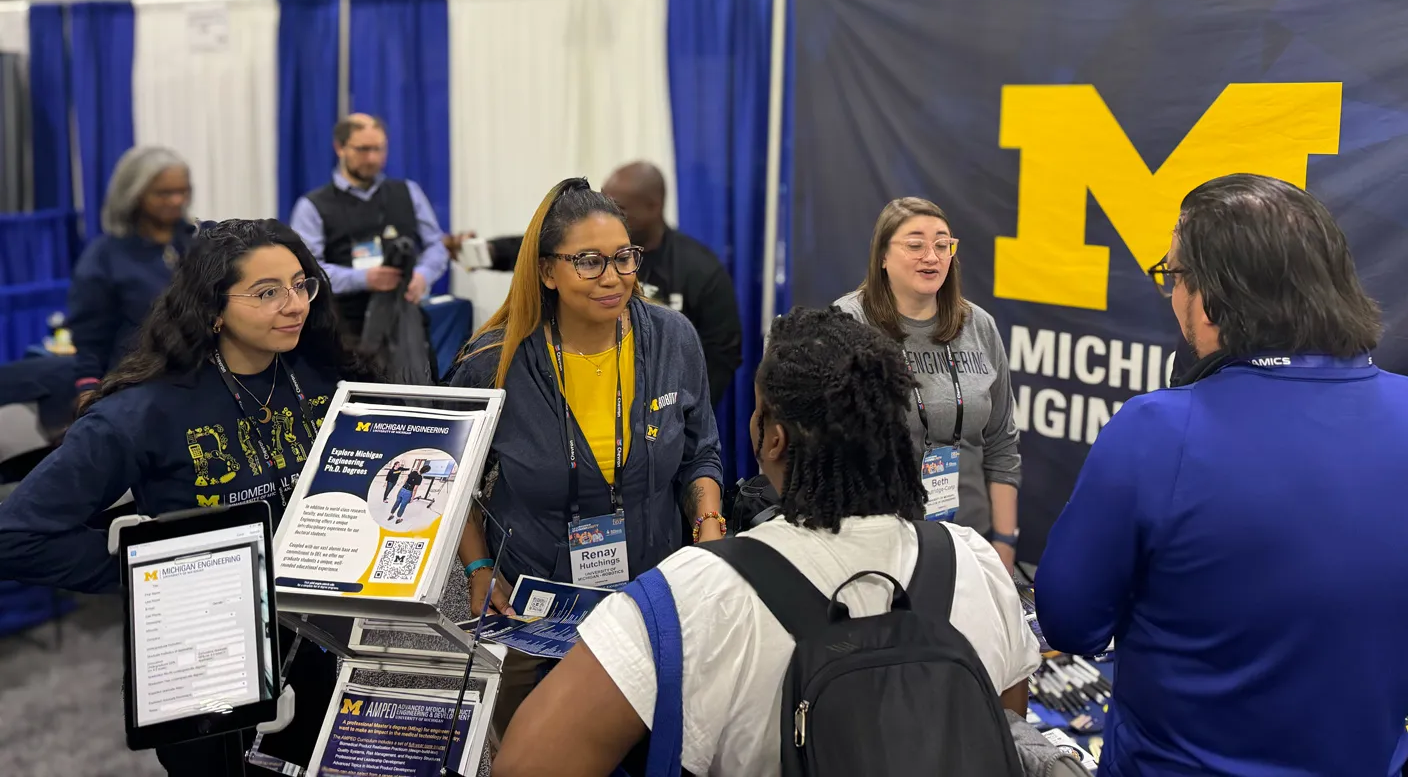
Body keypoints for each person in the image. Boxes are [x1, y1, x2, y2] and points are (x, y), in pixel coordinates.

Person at [494, 306, 1040, 777]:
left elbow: (526, 764)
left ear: (772, 438)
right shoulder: (975, 562)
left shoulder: (694, 593)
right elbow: (1000, 730)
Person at [1037, 174, 1408, 776]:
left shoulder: (1156, 430)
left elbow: (1070, 622)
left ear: (1213, 294)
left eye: (1173, 275)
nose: (1171, 294)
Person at [0, 219, 381, 775]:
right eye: (267, 292)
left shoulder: (321, 374)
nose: (295, 304)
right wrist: (152, 572)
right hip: (205, 658)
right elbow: (16, 536)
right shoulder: (141, 412)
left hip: (323, 640)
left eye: (302, 284)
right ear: (212, 308)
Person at [449, 177, 724, 736]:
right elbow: (452, 486)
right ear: (547, 271)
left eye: (624, 258)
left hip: (651, 598)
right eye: (590, 262)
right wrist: (477, 569)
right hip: (535, 613)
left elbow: (701, 454)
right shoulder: (493, 364)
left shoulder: (673, 339)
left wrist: (709, 523)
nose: (615, 278)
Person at [834, 197, 1022, 570]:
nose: (932, 257)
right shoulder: (849, 325)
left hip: (969, 539)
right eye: (915, 244)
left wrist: (1004, 541)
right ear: (883, 256)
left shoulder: (978, 325)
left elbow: (1002, 443)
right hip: (874, 542)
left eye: (942, 245)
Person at [288, 113, 449, 336]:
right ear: (340, 148)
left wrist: (423, 275)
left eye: (379, 149)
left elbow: (436, 245)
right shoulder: (312, 206)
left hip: (405, 326)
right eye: (363, 149)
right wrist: (363, 279)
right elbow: (307, 271)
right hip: (343, 330)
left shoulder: (408, 192)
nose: (372, 158)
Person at [602, 162, 742, 406]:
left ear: (653, 207)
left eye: (619, 209)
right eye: (603, 207)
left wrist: (680, 411)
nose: (607, 218)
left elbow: (722, 352)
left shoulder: (700, 270)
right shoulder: (594, 261)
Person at [69, 145, 195, 396]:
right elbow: (90, 337)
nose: (177, 201)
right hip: (135, 388)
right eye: (164, 193)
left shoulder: (199, 242)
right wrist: (87, 387)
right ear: (134, 194)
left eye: (183, 191)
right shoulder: (104, 257)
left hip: (199, 382)